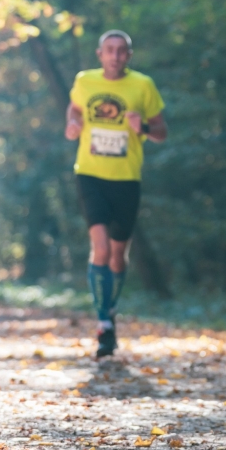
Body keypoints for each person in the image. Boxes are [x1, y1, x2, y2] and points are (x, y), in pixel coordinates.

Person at [65, 29, 166, 358]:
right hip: (90, 173)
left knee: (119, 255)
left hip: (126, 178)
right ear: (100, 54)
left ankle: (110, 309)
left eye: (122, 51)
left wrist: (145, 129)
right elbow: (75, 110)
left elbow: (162, 132)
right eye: (110, 50)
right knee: (101, 247)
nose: (115, 55)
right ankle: (104, 322)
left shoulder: (143, 85)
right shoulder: (84, 81)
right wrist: (73, 124)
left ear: (129, 55)